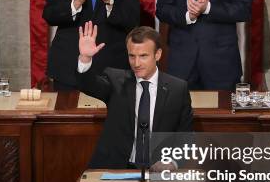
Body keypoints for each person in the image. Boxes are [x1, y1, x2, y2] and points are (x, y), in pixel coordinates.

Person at [77, 22, 193, 169]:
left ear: (158, 54)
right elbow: (88, 84)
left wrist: (172, 162)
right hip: (115, 169)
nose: (136, 63)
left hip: (157, 171)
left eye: (143, 56)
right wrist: (85, 59)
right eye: (132, 56)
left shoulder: (178, 89)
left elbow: (186, 137)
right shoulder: (116, 80)